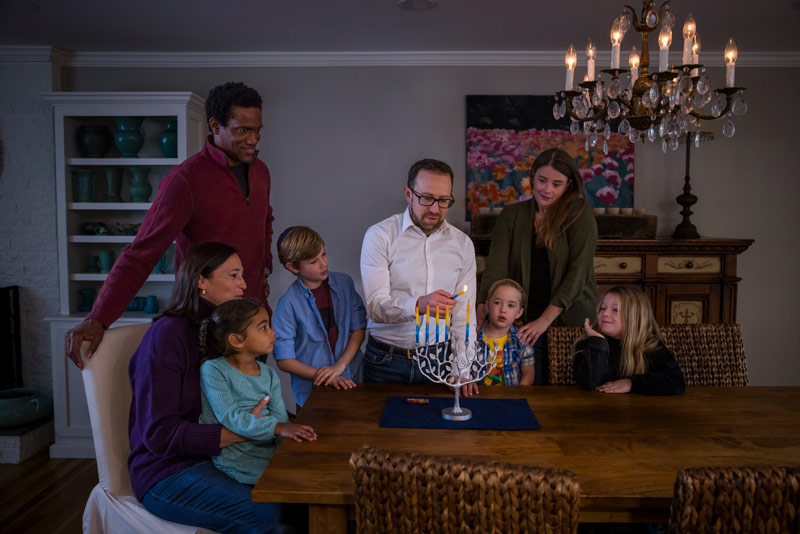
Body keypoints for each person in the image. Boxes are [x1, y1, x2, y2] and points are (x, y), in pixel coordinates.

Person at [66, 82, 274, 370]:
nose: (254, 139)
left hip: (253, 321)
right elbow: (142, 251)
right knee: (208, 413)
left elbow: (265, 220)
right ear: (215, 125)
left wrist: (264, 270)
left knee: (254, 410)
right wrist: (99, 317)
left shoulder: (261, 172)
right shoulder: (184, 181)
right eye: (243, 130)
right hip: (206, 327)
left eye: (257, 130)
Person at [128, 242, 288, 533]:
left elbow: (254, 400)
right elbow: (157, 434)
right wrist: (246, 430)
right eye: (233, 275)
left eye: (243, 275)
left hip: (225, 459)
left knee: (304, 499)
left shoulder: (225, 333)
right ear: (201, 281)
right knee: (271, 516)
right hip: (169, 470)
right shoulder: (167, 336)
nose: (244, 284)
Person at [477, 148, 598, 385]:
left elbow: (578, 274)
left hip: (568, 320)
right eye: (542, 180)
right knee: (523, 389)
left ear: (569, 185)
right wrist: (483, 308)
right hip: (521, 321)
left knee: (565, 394)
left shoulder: (579, 214)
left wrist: (544, 321)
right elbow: (496, 268)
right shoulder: (511, 215)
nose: (547, 189)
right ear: (532, 176)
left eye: (557, 183)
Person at [360, 158, 477, 392]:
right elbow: (375, 306)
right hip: (385, 361)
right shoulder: (380, 236)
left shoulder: (462, 244)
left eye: (443, 200)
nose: (435, 209)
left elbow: (465, 314)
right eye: (426, 199)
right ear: (408, 193)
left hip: (439, 361)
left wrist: (463, 366)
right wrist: (419, 305)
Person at [199, 298, 317, 486]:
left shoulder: (268, 373)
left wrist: (287, 450)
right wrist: (278, 428)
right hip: (239, 460)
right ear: (237, 340)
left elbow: (280, 416)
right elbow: (231, 416)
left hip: (270, 451)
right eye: (264, 328)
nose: (272, 332)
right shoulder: (213, 370)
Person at [272, 226, 366, 408]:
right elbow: (284, 360)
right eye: (313, 261)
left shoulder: (345, 283)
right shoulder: (288, 303)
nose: (323, 264)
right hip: (312, 394)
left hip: (353, 381)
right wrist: (324, 376)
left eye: (324, 254)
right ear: (292, 267)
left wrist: (339, 366)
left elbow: (359, 329)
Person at [573, 285, 685, 396]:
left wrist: (631, 383)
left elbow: (676, 382)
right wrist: (597, 342)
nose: (605, 313)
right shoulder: (590, 343)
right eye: (602, 308)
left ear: (634, 316)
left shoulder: (650, 346)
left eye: (615, 310)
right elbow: (587, 384)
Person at [478, 279, 535, 386]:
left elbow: (528, 373)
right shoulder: (474, 335)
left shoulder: (521, 340)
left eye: (511, 305)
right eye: (497, 303)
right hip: (478, 396)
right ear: (487, 306)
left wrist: (518, 394)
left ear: (519, 313)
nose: (503, 309)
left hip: (510, 397)